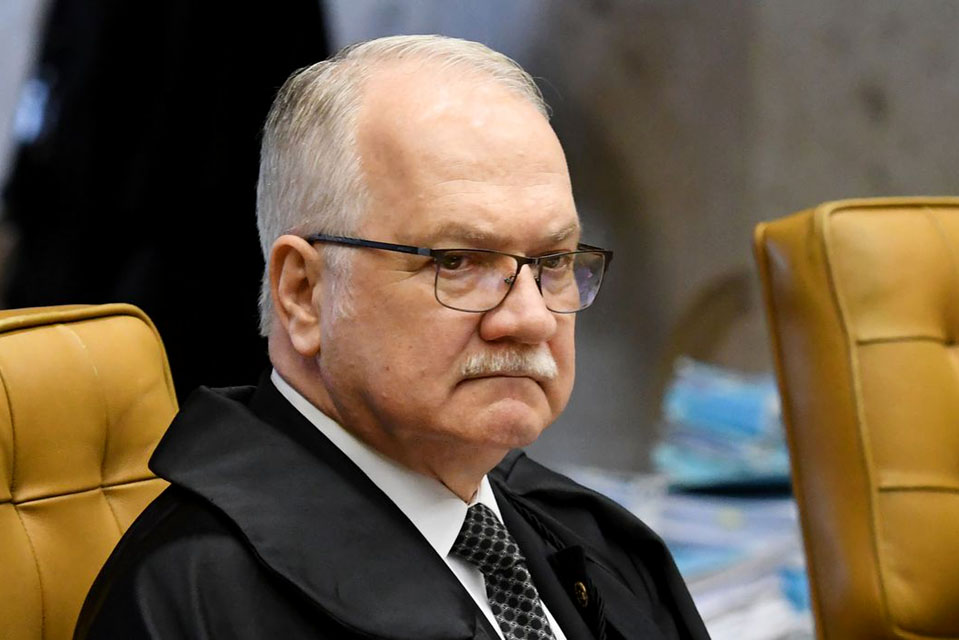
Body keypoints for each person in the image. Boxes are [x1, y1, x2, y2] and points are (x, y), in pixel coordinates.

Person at [75, 35, 709, 640]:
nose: (532, 318)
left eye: (553, 262)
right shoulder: (199, 599)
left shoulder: (595, 538)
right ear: (304, 292)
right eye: (457, 262)